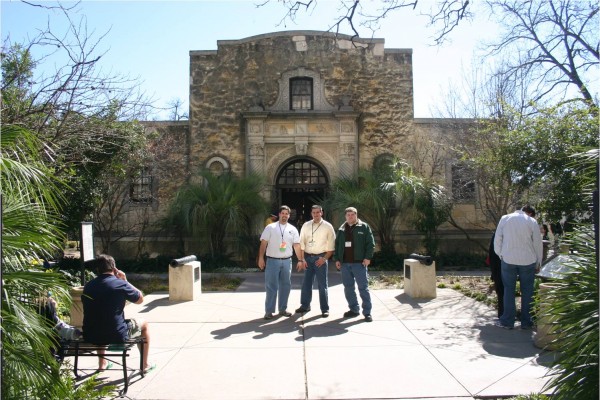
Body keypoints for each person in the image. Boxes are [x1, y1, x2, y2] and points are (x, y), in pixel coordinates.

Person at [82, 254, 152, 371]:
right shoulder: (120, 284)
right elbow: (140, 299)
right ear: (114, 269)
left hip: (90, 334)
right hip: (116, 334)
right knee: (144, 324)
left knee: (99, 320)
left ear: (98, 270)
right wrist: (125, 281)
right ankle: (144, 365)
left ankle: (102, 364)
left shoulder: (88, 286)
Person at [493, 205, 543, 330]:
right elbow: (537, 243)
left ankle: (508, 321)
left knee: (509, 290)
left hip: (508, 259)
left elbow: (498, 239)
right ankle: (526, 321)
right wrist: (538, 262)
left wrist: (501, 255)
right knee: (527, 291)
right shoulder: (532, 221)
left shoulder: (505, 219)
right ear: (528, 213)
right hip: (528, 260)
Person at [257, 205, 302, 320]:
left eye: (287, 214)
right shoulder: (270, 228)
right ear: (279, 214)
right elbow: (263, 244)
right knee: (271, 286)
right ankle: (269, 311)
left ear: (289, 215)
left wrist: (301, 260)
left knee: (286, 286)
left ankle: (283, 309)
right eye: (283, 213)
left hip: (287, 261)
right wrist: (261, 258)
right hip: (273, 261)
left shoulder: (293, 229)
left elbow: (296, 245)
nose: (285, 215)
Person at [333, 207, 376, 322]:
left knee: (363, 288)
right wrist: (337, 259)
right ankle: (354, 309)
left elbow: (370, 244)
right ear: (345, 216)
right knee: (348, 288)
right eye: (348, 215)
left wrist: (368, 258)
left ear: (356, 215)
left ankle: (367, 312)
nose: (350, 217)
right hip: (345, 264)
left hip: (359, 264)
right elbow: (337, 245)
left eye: (352, 214)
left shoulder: (364, 227)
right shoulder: (342, 229)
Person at [295, 205, 336, 318]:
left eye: (318, 212)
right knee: (306, 284)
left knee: (322, 285)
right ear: (311, 213)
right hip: (307, 258)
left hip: (320, 259)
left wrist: (324, 259)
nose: (316, 214)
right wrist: (302, 259)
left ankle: (325, 309)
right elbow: (301, 243)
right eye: (314, 212)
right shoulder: (306, 225)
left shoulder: (328, 226)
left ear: (321, 213)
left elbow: (331, 246)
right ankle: (305, 305)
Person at [486, 232, 504, 318]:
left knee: (501, 291)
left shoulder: (498, 232)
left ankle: (503, 314)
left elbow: (491, 253)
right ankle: (504, 314)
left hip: (498, 266)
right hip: (500, 266)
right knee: (503, 290)